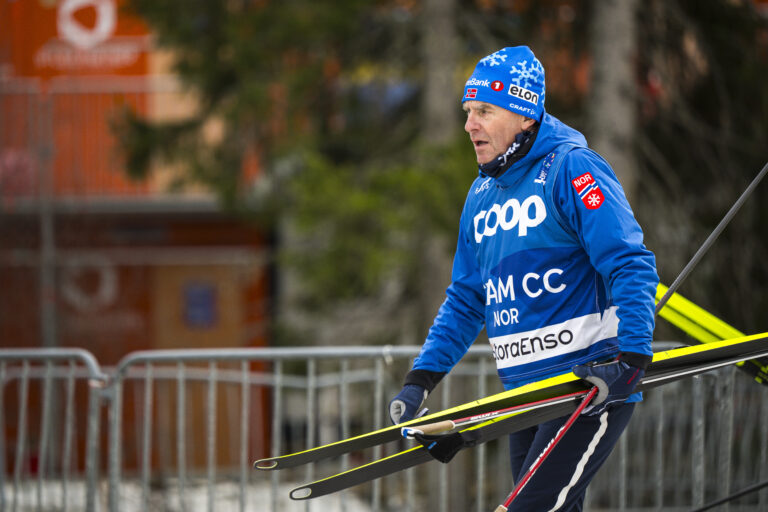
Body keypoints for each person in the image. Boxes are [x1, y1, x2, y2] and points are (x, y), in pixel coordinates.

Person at [388, 46, 659, 510]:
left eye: (485, 111)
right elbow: (467, 299)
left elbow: (629, 261)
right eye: (468, 111)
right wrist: (420, 380)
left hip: (586, 386)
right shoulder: (481, 195)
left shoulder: (572, 169)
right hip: (526, 395)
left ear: (525, 115)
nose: (470, 125)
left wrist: (631, 358)